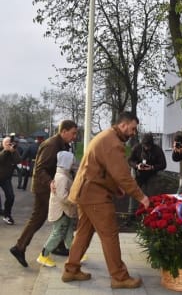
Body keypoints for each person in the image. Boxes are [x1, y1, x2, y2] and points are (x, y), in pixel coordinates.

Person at [62, 111, 150, 289]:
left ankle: (71, 270)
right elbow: (123, 175)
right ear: (123, 125)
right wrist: (141, 197)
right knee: (109, 235)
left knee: (83, 233)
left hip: (86, 192)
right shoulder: (112, 142)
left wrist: (115, 188)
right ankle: (119, 277)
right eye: (132, 128)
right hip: (95, 195)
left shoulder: (107, 137)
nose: (134, 132)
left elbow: (103, 169)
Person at [10, 120, 78, 267]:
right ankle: (19, 247)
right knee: (38, 218)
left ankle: (59, 246)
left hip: (52, 186)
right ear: (63, 131)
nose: (75, 136)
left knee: (62, 214)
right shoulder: (52, 144)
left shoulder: (62, 144)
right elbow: (40, 168)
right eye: (73, 133)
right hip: (44, 188)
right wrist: (50, 182)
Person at [37, 151, 77, 268]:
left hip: (65, 211)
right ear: (67, 163)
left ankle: (75, 255)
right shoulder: (61, 177)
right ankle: (43, 255)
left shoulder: (64, 175)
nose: (74, 164)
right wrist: (74, 200)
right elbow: (63, 197)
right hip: (61, 212)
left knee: (69, 234)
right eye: (72, 162)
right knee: (58, 234)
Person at [128, 132, 166, 196]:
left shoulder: (157, 150)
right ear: (142, 144)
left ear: (152, 144)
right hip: (138, 174)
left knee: (152, 194)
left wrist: (152, 167)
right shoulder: (137, 148)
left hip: (151, 174)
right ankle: (134, 206)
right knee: (134, 194)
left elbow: (163, 164)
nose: (146, 148)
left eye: (148, 146)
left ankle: (151, 204)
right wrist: (137, 166)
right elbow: (130, 160)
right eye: (145, 146)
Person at [0, 136, 22, 225]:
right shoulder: (2, 150)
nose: (9, 145)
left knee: (10, 197)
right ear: (2, 143)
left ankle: (7, 215)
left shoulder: (12, 151)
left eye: (10, 143)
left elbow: (18, 161)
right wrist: (5, 150)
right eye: (7, 143)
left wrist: (13, 151)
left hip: (6, 178)